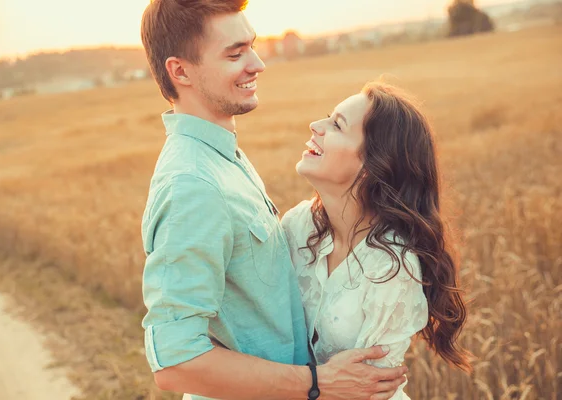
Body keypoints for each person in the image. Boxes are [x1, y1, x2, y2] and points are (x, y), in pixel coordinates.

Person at [139, 1, 407, 399]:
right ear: (180, 71)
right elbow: (176, 362)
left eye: (251, 46)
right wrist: (317, 384)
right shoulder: (193, 185)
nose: (257, 63)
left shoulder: (222, 157)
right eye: (235, 54)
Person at [281, 81, 473, 399]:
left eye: (336, 125)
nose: (315, 126)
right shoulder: (297, 226)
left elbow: (367, 390)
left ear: (371, 166)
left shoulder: (393, 265)